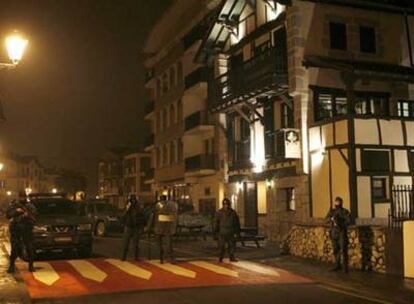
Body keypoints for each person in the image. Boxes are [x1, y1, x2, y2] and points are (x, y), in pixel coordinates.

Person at [6, 191, 37, 273]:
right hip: (16, 230)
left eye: (23, 197)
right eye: (21, 197)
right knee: (14, 249)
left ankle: (31, 266)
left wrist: (27, 215)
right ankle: (11, 266)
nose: (22, 198)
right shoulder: (14, 205)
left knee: (30, 248)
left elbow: (34, 215)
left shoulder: (30, 206)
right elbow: (8, 215)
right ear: (19, 197)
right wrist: (16, 211)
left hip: (27, 230)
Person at [148, 194, 178, 264]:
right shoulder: (173, 205)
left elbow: (152, 215)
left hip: (159, 226)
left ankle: (161, 257)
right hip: (169, 227)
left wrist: (149, 226)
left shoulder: (158, 205)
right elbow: (175, 216)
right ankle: (171, 257)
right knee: (169, 243)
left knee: (159, 243)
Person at [326, 196, 351, 273]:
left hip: (341, 232)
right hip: (334, 232)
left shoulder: (345, 211)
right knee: (335, 249)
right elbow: (326, 219)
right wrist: (331, 219)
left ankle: (345, 267)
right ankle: (337, 265)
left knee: (343, 249)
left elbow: (348, 221)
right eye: (336, 202)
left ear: (341, 203)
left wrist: (340, 222)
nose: (337, 203)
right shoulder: (332, 211)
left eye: (338, 202)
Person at [121, 194, 146, 261]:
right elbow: (124, 214)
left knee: (135, 244)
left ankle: (135, 257)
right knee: (126, 243)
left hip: (135, 226)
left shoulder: (138, 206)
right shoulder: (128, 205)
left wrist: (142, 226)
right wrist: (128, 207)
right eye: (132, 199)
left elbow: (142, 215)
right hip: (129, 226)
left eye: (134, 199)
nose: (133, 201)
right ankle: (123, 257)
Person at [215, 198, 240, 262]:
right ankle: (220, 257)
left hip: (230, 231)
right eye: (224, 204)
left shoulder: (232, 212)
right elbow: (216, 222)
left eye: (227, 204)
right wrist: (216, 232)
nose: (226, 205)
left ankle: (231, 257)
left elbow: (236, 222)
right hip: (222, 231)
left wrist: (237, 232)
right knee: (222, 246)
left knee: (231, 245)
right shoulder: (219, 212)